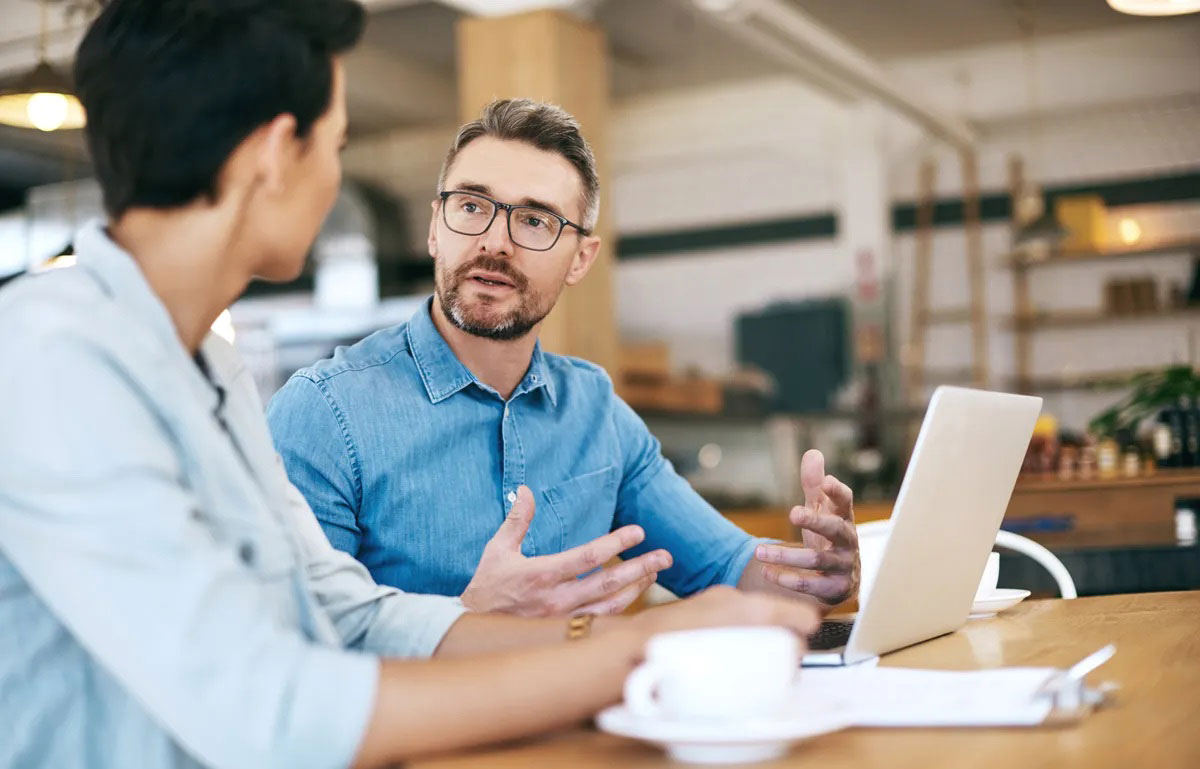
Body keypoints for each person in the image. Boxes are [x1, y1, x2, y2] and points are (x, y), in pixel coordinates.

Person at [0, 2, 820, 768]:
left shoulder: (208, 365)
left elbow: (348, 612)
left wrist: (604, 636)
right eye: (336, 145)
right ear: (275, 155)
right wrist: (637, 652)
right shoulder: (51, 358)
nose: (335, 180)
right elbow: (271, 707)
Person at [267, 97, 861, 618]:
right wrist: (467, 617)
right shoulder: (324, 413)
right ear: (434, 229)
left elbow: (728, 568)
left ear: (580, 259)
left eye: (535, 221)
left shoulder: (596, 412)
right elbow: (290, 651)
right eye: (471, 206)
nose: (494, 241)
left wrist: (817, 576)